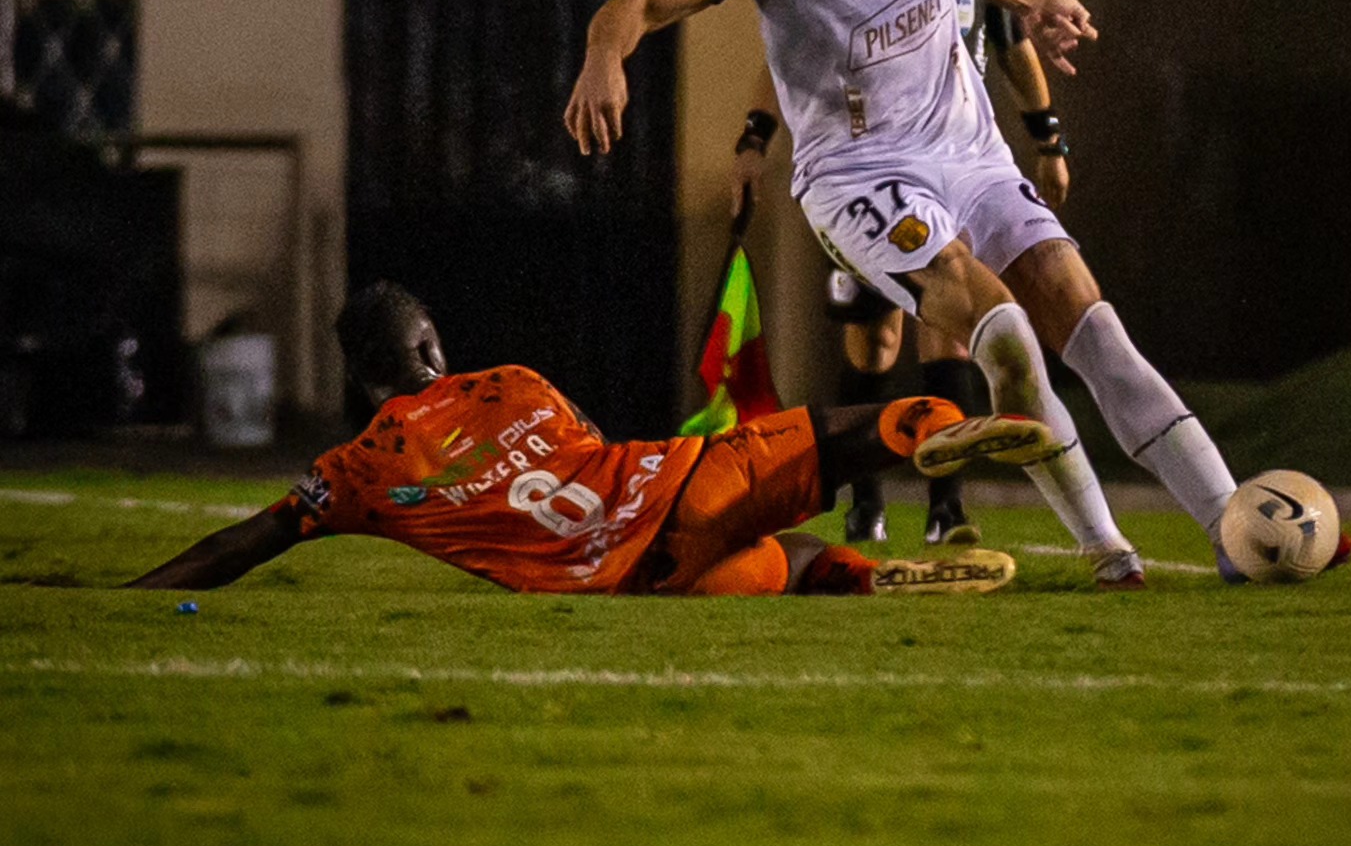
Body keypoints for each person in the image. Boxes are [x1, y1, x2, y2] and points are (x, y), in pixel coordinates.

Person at [565, 0, 1351, 588]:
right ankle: (1107, 550)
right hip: (861, 176)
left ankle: (1235, 527)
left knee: (1098, 331)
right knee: (1001, 327)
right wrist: (604, 56)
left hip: (971, 154)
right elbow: (637, 5)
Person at [126, 280, 1056, 598]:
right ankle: (944, 426)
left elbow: (244, 542)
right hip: (674, 486)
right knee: (857, 429)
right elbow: (594, 448)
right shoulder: (512, 382)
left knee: (777, 556)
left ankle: (868, 577)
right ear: (432, 347)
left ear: (358, 376)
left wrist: (133, 593)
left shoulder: (357, 469)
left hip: (634, 580)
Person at [731, 0, 1072, 549]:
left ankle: (949, 507)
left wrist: (1048, 137)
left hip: (950, 162)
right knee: (874, 346)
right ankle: (866, 498)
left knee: (949, 337)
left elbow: (1013, 45)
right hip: (866, 173)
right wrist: (755, 137)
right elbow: (786, 58)